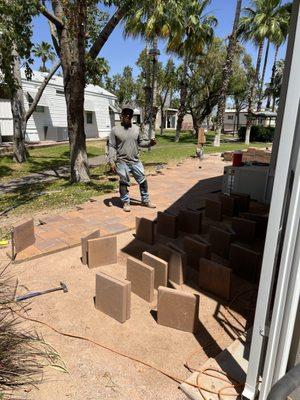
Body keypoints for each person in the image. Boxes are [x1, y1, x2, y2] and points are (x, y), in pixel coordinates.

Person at [108, 105, 157, 212]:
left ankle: (145, 200)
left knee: (143, 180)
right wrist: (111, 161)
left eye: (130, 114)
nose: (127, 116)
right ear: (122, 116)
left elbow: (141, 143)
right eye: (125, 114)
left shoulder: (136, 129)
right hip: (122, 161)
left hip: (135, 161)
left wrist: (150, 143)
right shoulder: (115, 130)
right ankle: (126, 202)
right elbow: (111, 146)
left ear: (132, 116)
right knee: (124, 181)